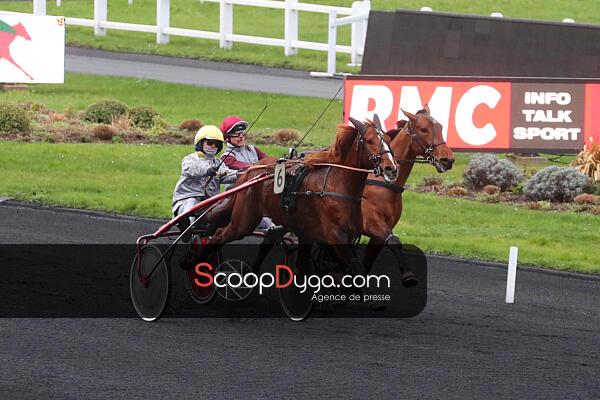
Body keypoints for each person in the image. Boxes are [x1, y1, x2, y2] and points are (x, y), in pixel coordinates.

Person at [172, 124, 238, 227]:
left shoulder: (218, 163)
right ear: (200, 143)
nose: (213, 146)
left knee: (225, 205)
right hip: (185, 201)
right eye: (210, 142)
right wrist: (208, 170)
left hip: (208, 204)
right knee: (192, 201)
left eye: (217, 144)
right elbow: (191, 168)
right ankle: (187, 225)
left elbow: (227, 174)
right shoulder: (190, 159)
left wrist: (240, 174)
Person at [219, 115, 277, 231]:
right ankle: (271, 228)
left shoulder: (253, 149)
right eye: (237, 134)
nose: (241, 136)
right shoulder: (226, 157)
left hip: (255, 192)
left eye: (243, 133)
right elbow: (247, 169)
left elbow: (268, 161)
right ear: (227, 138)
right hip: (237, 197)